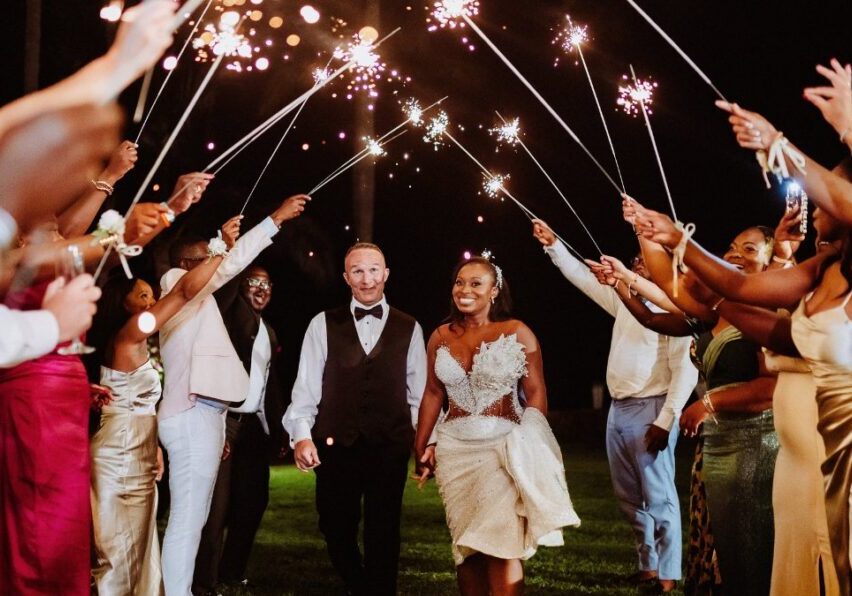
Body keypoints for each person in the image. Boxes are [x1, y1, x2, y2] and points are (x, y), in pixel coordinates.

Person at [531, 219, 696, 592]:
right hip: (618, 410)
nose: (638, 265)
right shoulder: (627, 302)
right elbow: (584, 279)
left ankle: (669, 576)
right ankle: (648, 567)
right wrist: (553, 245)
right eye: (636, 260)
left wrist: (665, 421)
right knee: (627, 498)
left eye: (645, 261)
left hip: (652, 409)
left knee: (660, 497)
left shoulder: (676, 313)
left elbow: (683, 372)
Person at [158, 194, 308, 596]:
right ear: (187, 264)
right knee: (188, 520)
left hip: (205, 416)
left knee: (197, 517)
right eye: (206, 257)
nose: (215, 263)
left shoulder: (199, 296)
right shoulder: (175, 283)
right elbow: (231, 265)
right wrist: (274, 219)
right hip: (190, 413)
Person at [85, 216, 239, 596]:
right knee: (118, 551)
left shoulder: (135, 340)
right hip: (118, 452)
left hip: (138, 447)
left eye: (151, 294)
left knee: (140, 546)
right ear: (121, 305)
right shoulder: (130, 333)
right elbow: (184, 293)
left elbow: (140, 403)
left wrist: (153, 444)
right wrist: (220, 248)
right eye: (142, 296)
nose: (152, 301)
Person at [413, 255, 579, 595]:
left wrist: (530, 442)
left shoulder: (517, 332)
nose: (465, 289)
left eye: (476, 283)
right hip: (454, 451)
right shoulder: (440, 336)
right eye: (460, 282)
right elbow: (432, 393)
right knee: (466, 547)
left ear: (494, 290)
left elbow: (536, 393)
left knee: (502, 546)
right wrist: (421, 444)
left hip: (502, 450)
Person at [282, 242, 427, 596]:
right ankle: (361, 586)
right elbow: (306, 387)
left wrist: (423, 444)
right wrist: (301, 435)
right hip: (336, 445)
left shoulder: (410, 327)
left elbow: (419, 396)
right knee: (334, 527)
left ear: (386, 273)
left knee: (384, 530)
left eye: (374, 269)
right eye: (358, 271)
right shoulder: (322, 324)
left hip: (389, 445)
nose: (367, 279)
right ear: (346, 277)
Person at [194, 265, 285, 592]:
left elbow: (269, 386)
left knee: (253, 502)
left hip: (254, 429)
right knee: (217, 509)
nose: (261, 289)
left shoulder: (268, 330)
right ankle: (204, 582)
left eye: (267, 283)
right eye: (254, 282)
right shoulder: (230, 318)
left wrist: (277, 429)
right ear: (241, 285)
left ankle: (232, 571)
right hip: (226, 423)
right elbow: (227, 290)